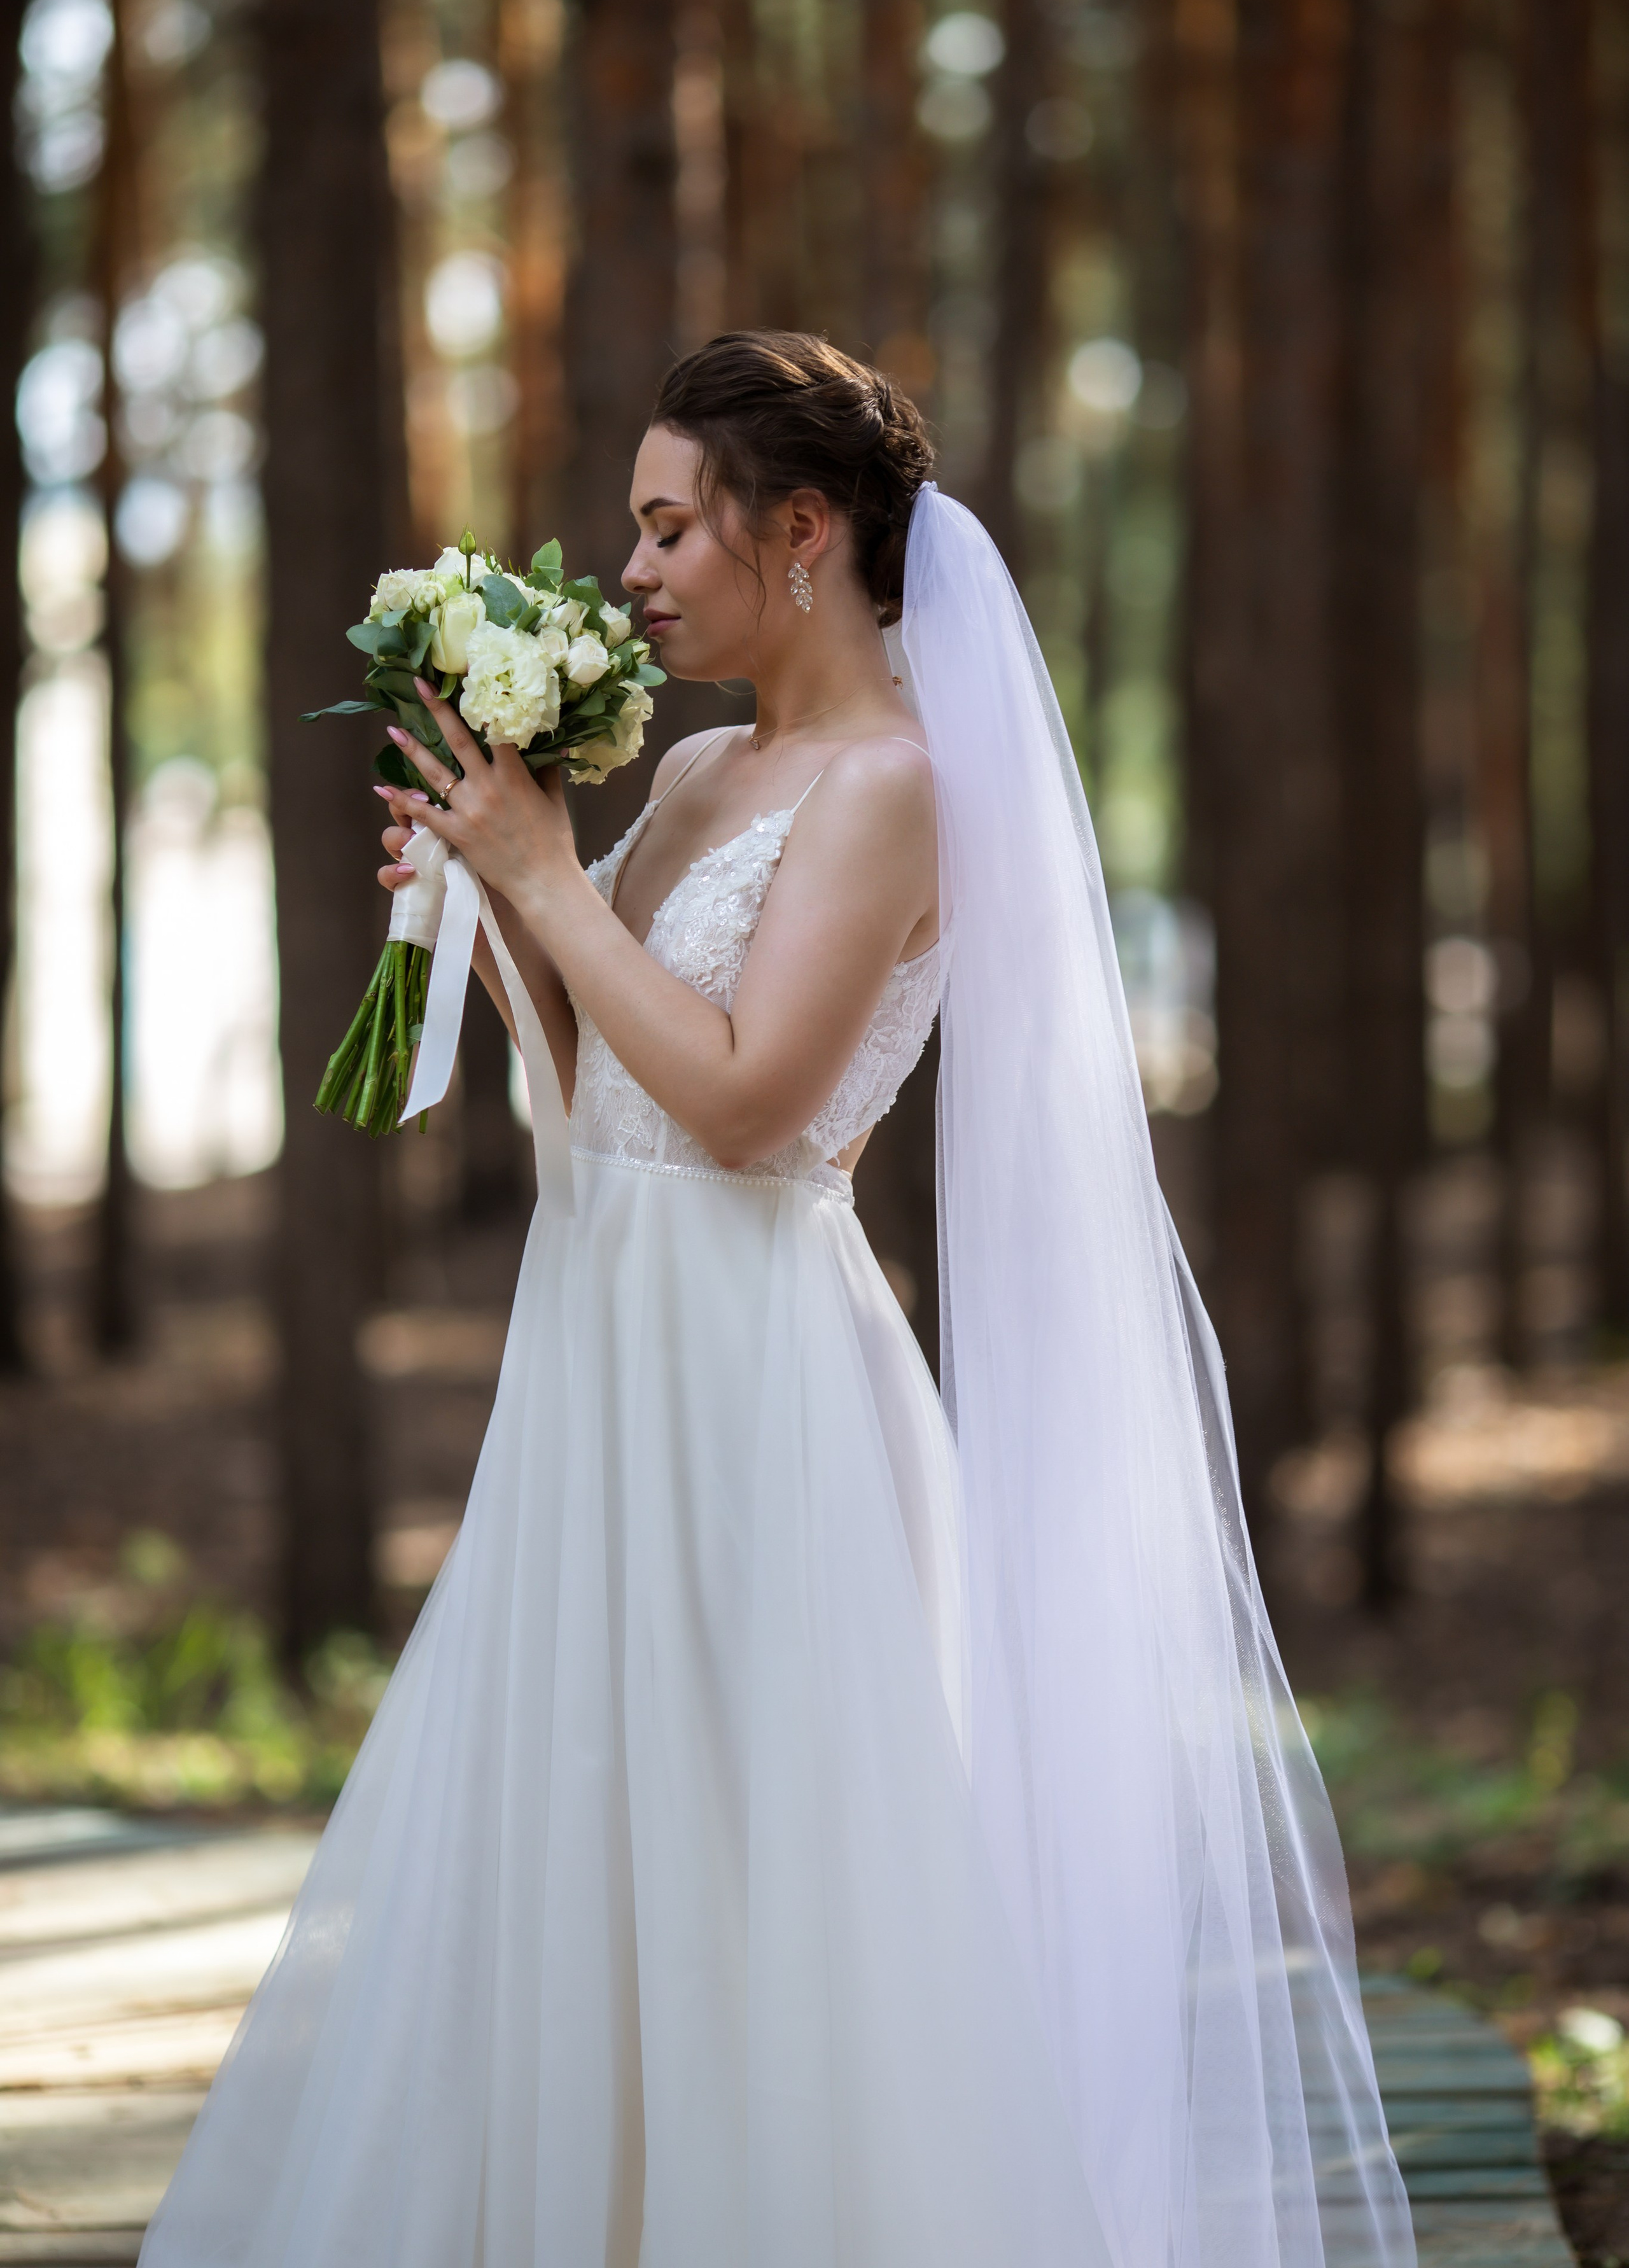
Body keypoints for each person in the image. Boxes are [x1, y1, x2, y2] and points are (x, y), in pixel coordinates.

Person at [139, 332, 1415, 2268]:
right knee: (586, 1838)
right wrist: (486, 905)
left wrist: (550, 878)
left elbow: (748, 1109)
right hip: (603, 1353)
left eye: (668, 526)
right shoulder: (714, 763)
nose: (632, 571)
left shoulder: (901, 786)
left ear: (800, 532)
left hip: (756, 1386)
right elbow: (599, 1078)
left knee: (763, 1872)